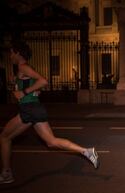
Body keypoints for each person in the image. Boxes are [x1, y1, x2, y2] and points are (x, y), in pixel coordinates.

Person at [0, 41, 99, 184]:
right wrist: (25, 87)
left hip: (29, 109)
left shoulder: (23, 67)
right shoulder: (25, 69)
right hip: (33, 109)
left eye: (11, 53)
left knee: (4, 137)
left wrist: (23, 92)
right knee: (51, 142)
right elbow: (38, 87)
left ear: (17, 53)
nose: (10, 56)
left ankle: (6, 173)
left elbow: (43, 81)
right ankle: (87, 151)